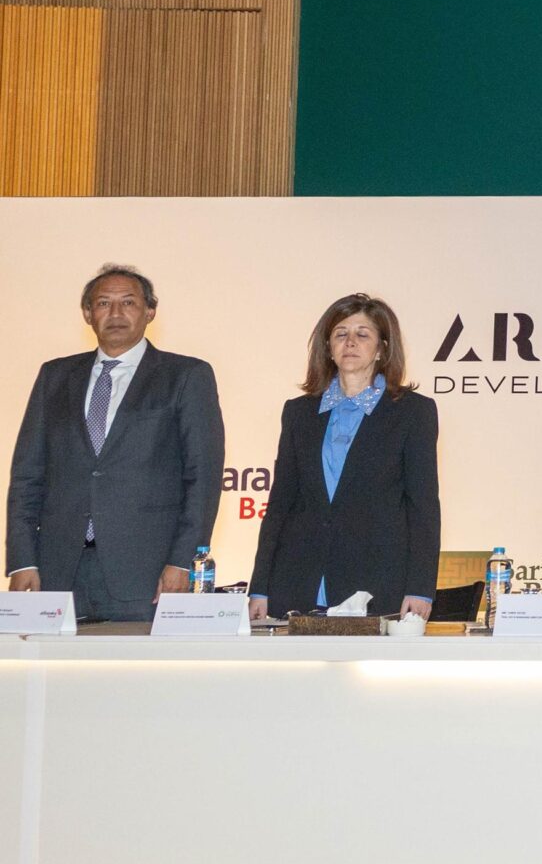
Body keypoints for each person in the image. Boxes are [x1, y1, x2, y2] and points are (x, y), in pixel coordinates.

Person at [7, 265, 224, 621]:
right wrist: (22, 561)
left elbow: (202, 479)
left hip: (147, 574)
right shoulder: (54, 376)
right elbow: (27, 476)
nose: (116, 313)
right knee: (52, 661)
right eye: (104, 303)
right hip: (56, 573)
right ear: (88, 314)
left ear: (150, 311)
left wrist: (183, 561)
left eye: (128, 302)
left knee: (136, 661)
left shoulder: (186, 376)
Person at [248, 294, 440, 620]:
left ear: (382, 349)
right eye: (340, 334)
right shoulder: (298, 412)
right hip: (296, 581)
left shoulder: (413, 412)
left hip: (378, 583)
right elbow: (280, 504)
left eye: (362, 334)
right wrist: (260, 586)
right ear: (328, 348)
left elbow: (423, 507)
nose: (350, 342)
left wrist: (420, 587)